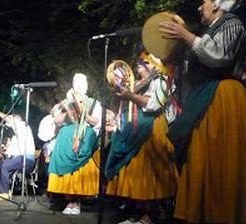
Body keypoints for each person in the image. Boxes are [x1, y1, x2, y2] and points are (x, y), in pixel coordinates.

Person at [159, 0, 246, 223]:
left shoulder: (232, 23)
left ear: (217, 4)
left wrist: (186, 36)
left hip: (223, 96)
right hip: (205, 98)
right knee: (199, 158)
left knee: (219, 162)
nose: (199, 7)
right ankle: (202, 212)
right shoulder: (207, 31)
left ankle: (220, 214)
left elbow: (219, 56)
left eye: (203, 2)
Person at [105, 50, 178, 224]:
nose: (138, 63)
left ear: (153, 64)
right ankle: (137, 212)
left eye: (143, 61)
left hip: (152, 129)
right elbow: (121, 102)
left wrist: (130, 96)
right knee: (135, 171)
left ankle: (149, 216)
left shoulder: (162, 80)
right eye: (138, 61)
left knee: (148, 171)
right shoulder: (137, 84)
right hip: (135, 131)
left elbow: (155, 103)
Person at [47, 73, 102, 215]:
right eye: (75, 82)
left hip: (84, 135)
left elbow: (97, 121)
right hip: (66, 137)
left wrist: (83, 113)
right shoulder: (66, 103)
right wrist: (67, 109)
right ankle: (69, 201)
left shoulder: (94, 102)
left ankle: (77, 202)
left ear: (86, 86)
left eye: (81, 83)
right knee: (65, 167)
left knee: (79, 168)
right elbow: (58, 121)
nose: (78, 85)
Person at [0, 109, 36, 200]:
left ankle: (4, 193)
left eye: (13, 118)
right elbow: (11, 153)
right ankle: (0, 191)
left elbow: (8, 118)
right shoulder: (15, 138)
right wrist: (2, 152)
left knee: (4, 165)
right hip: (18, 160)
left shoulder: (24, 126)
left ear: (18, 119)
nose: (10, 121)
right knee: (0, 165)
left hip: (27, 160)